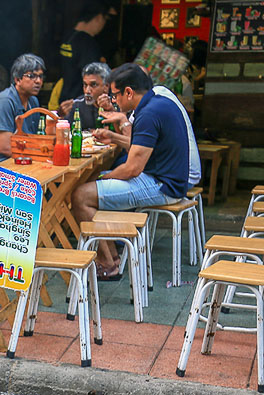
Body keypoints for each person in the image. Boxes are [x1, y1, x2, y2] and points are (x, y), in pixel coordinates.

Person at [71, 63, 192, 278]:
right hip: (167, 179)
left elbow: (133, 168)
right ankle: (112, 255)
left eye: (115, 95)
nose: (114, 101)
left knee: (81, 195)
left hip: (163, 185)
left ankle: (108, 264)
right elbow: (141, 149)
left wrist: (103, 177)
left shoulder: (148, 114)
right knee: (92, 187)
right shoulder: (158, 102)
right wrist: (114, 137)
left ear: (129, 92)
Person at [0, 53, 44, 164]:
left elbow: (34, 139)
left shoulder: (33, 101)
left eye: (40, 76)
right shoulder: (4, 102)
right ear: (17, 80)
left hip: (22, 159)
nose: (38, 81)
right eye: (32, 76)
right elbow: (6, 148)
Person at [58, 1, 110, 107]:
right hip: (81, 103)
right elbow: (96, 75)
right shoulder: (88, 44)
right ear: (99, 17)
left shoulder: (67, 37)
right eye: (105, 20)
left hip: (64, 97)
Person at [61, 62, 111, 130]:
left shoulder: (116, 104)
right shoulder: (78, 105)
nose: (87, 91)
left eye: (93, 85)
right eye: (85, 85)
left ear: (106, 86)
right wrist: (60, 116)